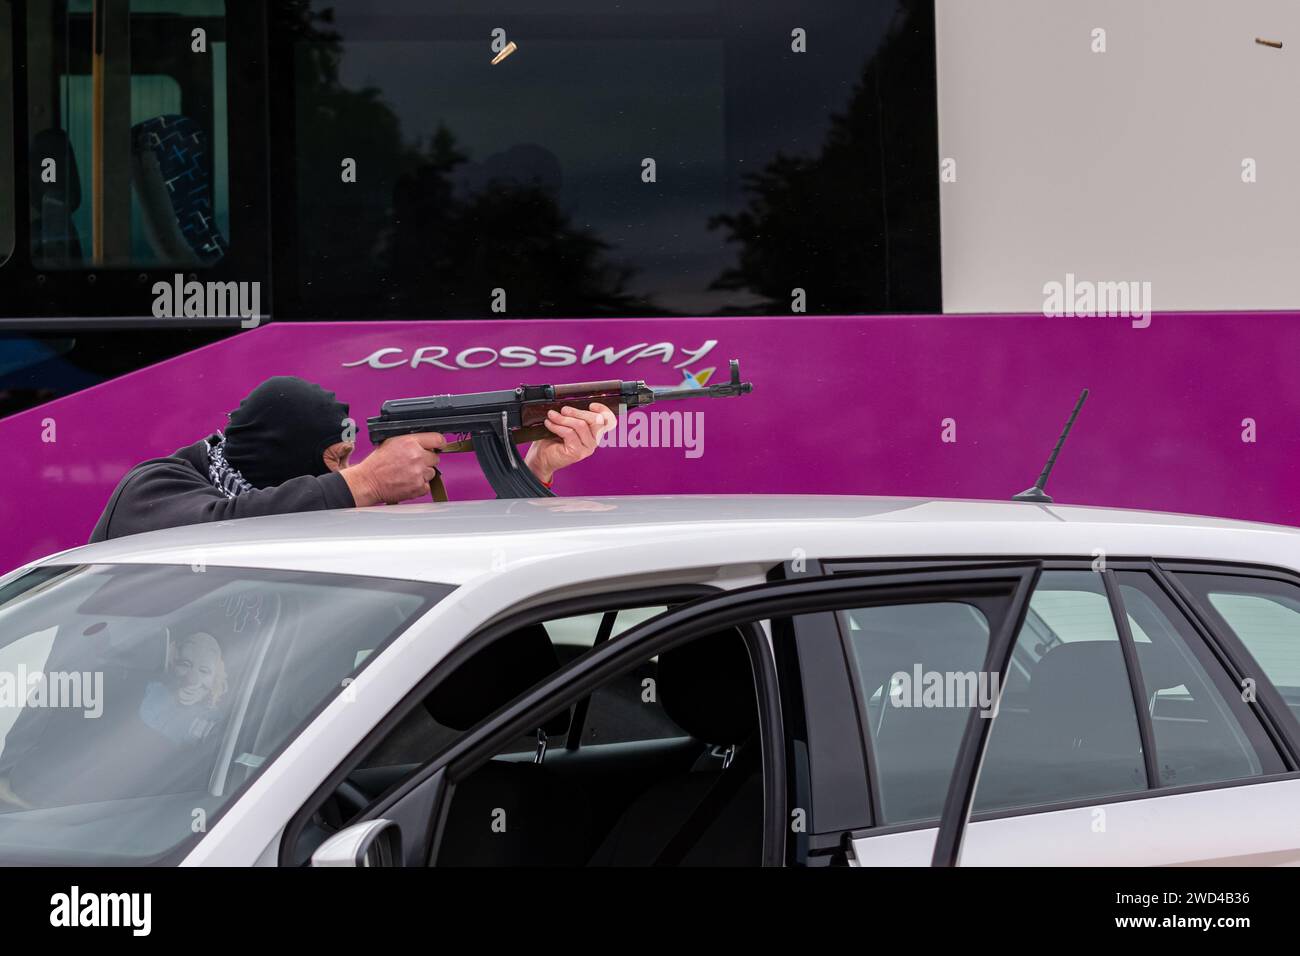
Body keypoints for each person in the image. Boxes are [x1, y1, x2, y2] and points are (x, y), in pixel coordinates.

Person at [89, 376, 615, 542]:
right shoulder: (155, 486)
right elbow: (213, 530)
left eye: (349, 461)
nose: (342, 473)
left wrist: (537, 468)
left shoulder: (304, 523)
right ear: (280, 452)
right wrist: (363, 484)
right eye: (337, 459)